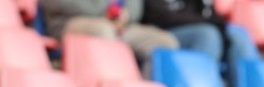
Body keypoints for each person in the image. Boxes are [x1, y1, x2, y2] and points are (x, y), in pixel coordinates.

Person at [39, 0, 179, 74]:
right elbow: (56, 3)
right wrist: (103, 12)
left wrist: (126, 14)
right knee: (102, 30)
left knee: (165, 42)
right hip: (71, 22)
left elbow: (134, 6)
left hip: (118, 24)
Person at [141, 0, 259, 87]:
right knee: (208, 34)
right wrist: (209, 23)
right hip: (162, 29)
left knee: (238, 35)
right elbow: (159, 15)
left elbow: (206, 14)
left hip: (196, 25)